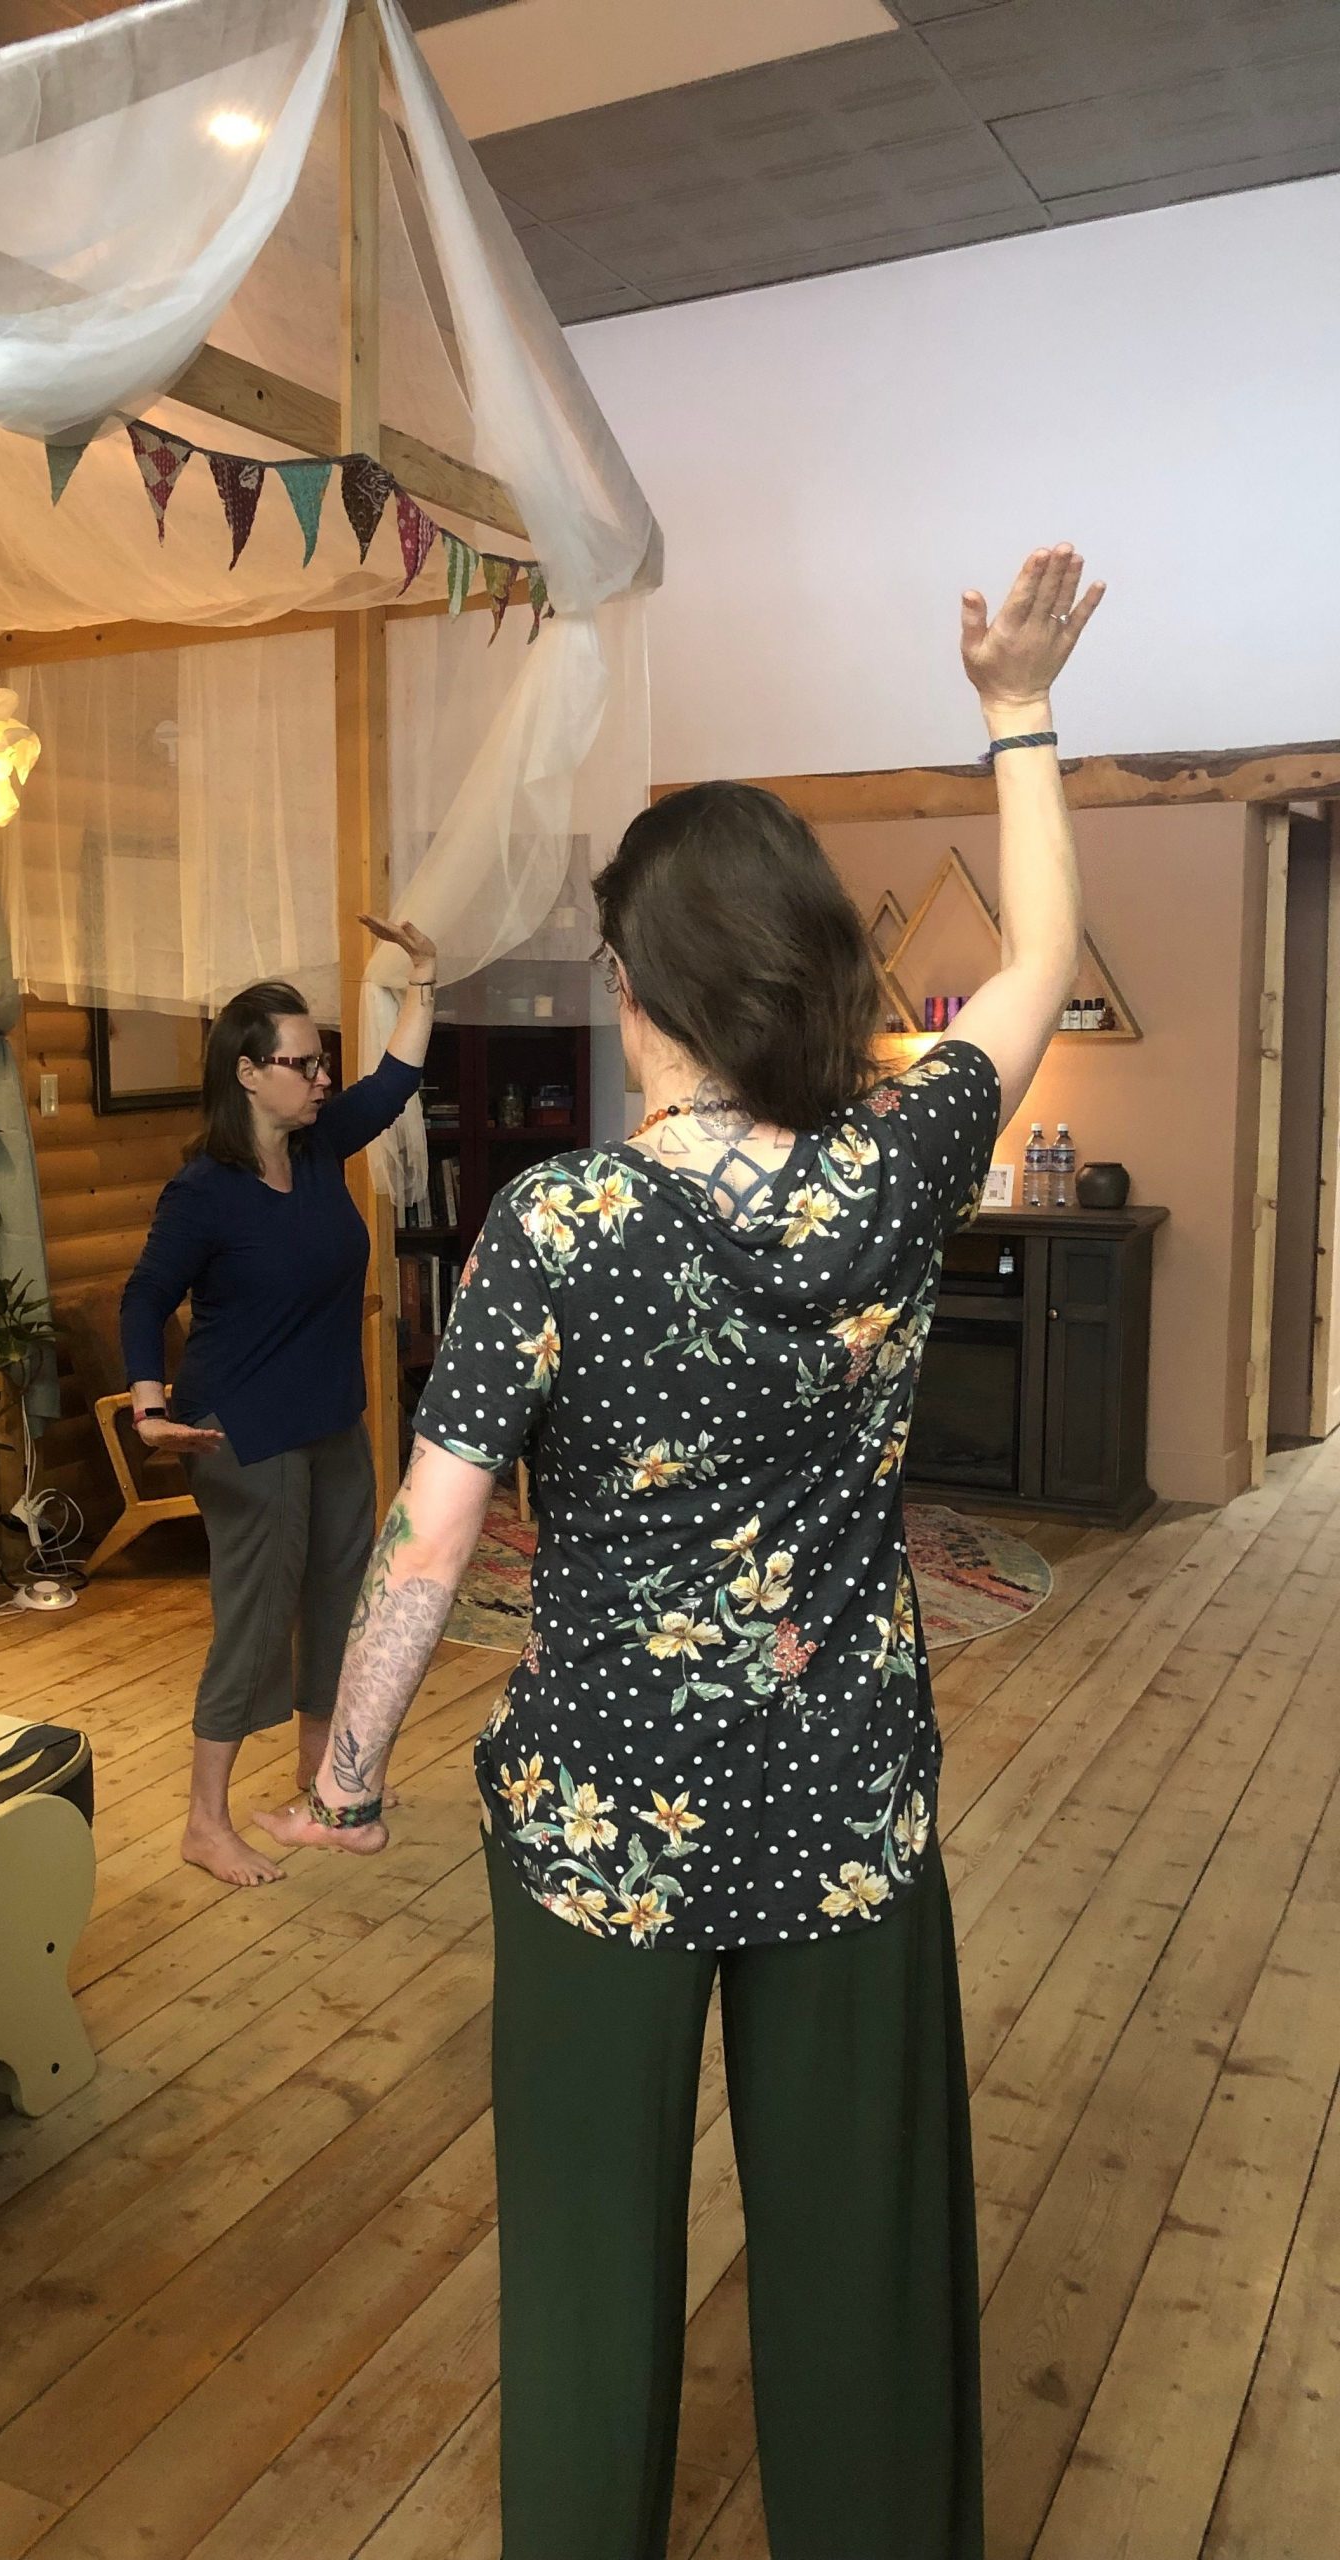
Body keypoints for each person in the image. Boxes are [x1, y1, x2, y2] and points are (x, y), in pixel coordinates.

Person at [259, 548, 1105, 2559]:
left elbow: (429, 1535)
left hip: (597, 1826)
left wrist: (347, 1774)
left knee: (587, 2269)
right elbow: (1042, 961)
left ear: (634, 992)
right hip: (846, 1805)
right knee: (862, 2266)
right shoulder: (897, 1173)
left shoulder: (557, 1222)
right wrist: (1019, 714)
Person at [120, 917, 439, 1888]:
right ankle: (204, 1822)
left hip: (331, 1417)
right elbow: (145, 1298)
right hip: (242, 1431)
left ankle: (319, 1782)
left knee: (340, 1604)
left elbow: (394, 1080)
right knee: (257, 1625)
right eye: (303, 1064)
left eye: (320, 1060)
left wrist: (423, 981)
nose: (322, 1078)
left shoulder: (319, 1148)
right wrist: (148, 1408)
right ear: (249, 1074)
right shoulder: (203, 1192)